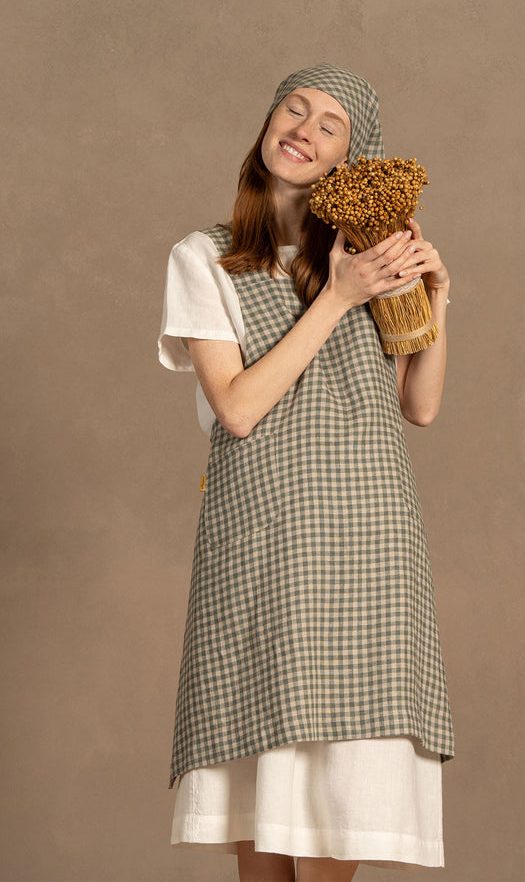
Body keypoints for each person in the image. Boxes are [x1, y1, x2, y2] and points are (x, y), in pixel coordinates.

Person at [158, 63, 454, 882]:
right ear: (267, 124)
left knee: (335, 823)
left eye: (331, 126)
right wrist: (337, 296)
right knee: (267, 807)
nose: (305, 128)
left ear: (347, 163)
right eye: (295, 109)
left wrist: (432, 297)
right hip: (264, 550)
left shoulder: (371, 256)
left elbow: (420, 406)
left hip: (366, 549)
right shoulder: (206, 258)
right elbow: (239, 408)